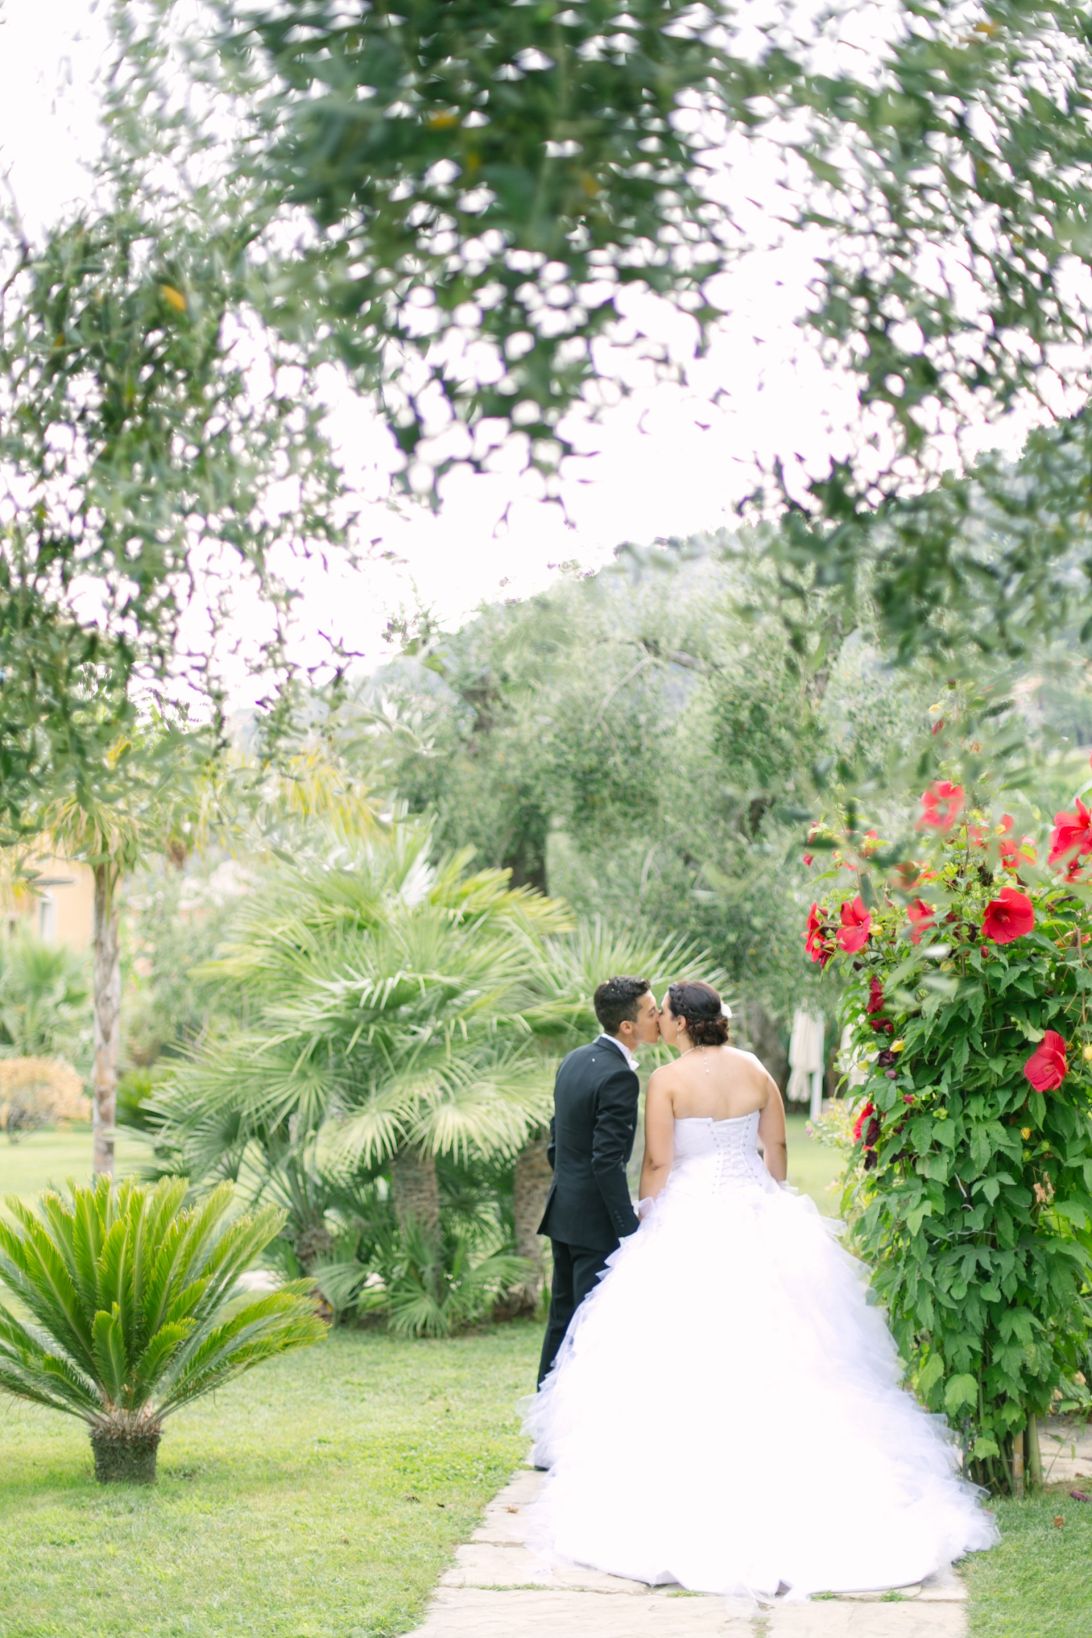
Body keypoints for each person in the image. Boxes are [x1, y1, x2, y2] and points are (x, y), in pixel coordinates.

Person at [524, 980, 998, 1602]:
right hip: (755, 1204)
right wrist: (770, 1197)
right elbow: (775, 1145)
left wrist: (650, 1213)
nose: (658, 1019)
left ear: (683, 1023)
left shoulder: (666, 1081)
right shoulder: (756, 1070)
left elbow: (659, 1163)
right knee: (792, 1336)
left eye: (665, 1013)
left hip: (690, 1213)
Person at [535, 975, 662, 1389]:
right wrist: (628, 1229)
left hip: (563, 1209)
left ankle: (545, 1413)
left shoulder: (573, 1060)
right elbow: (607, 1162)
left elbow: (557, 1141)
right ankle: (571, 1414)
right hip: (594, 1221)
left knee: (563, 1319)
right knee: (590, 1324)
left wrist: (569, 1186)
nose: (659, 1016)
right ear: (627, 1026)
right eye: (651, 1012)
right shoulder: (619, 1077)